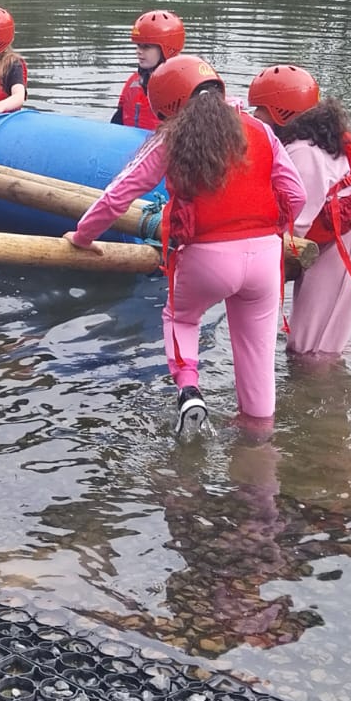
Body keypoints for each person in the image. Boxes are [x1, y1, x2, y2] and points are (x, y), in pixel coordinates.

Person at [67, 55, 305, 435]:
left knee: (181, 318)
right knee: (258, 356)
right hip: (264, 257)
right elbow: (296, 194)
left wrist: (82, 237)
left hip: (206, 258)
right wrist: (273, 230)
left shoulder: (170, 138)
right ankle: (259, 445)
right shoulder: (261, 131)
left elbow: (118, 196)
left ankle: (189, 389)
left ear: (166, 104)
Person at [248, 65, 351, 357]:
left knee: (311, 353)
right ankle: (345, 364)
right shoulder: (306, 142)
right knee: (309, 341)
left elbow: (297, 223)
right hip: (335, 244)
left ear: (283, 112)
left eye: (262, 109)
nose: (255, 116)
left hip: (344, 248)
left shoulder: (303, 151)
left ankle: (325, 395)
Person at [112, 10, 186, 130]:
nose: (138, 51)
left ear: (166, 49)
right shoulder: (134, 81)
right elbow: (116, 122)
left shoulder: (184, 88)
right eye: (138, 45)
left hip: (163, 146)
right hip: (131, 144)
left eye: (146, 46)